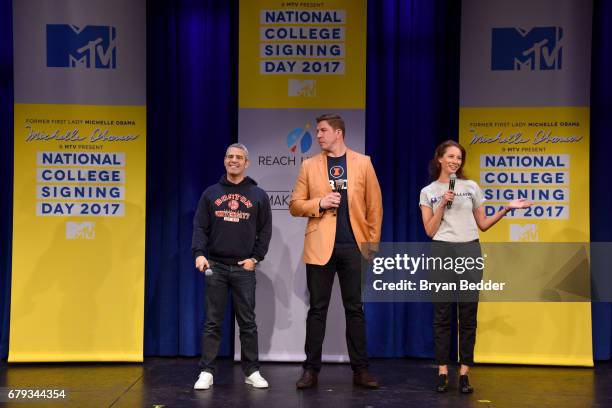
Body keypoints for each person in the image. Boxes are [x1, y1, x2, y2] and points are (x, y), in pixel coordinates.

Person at [419, 140, 531, 393]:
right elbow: (429, 230)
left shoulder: (471, 187)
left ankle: (465, 373)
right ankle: (442, 372)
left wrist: (506, 208)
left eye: (459, 158)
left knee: (468, 314)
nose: (455, 161)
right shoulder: (428, 191)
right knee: (442, 315)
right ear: (439, 158)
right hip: (442, 250)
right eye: (451, 156)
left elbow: (483, 224)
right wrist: (441, 204)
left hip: (469, 249)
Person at [289, 114, 383, 389]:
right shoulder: (309, 166)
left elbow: (374, 207)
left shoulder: (362, 163)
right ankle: (310, 370)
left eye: (322, 131)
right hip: (320, 247)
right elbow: (295, 205)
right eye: (317, 131)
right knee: (317, 309)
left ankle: (361, 370)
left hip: (354, 247)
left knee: (355, 309)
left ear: (338, 133)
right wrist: (320, 202)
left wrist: (371, 245)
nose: (318, 135)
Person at [191, 143, 272, 390]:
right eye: (229, 156)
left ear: (246, 163)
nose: (233, 160)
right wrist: (198, 253)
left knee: (247, 323)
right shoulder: (211, 193)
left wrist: (255, 259)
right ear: (225, 161)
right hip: (214, 266)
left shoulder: (258, 195)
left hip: (243, 268)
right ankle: (206, 371)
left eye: (238, 157)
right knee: (212, 322)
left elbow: (265, 231)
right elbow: (200, 227)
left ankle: (252, 371)